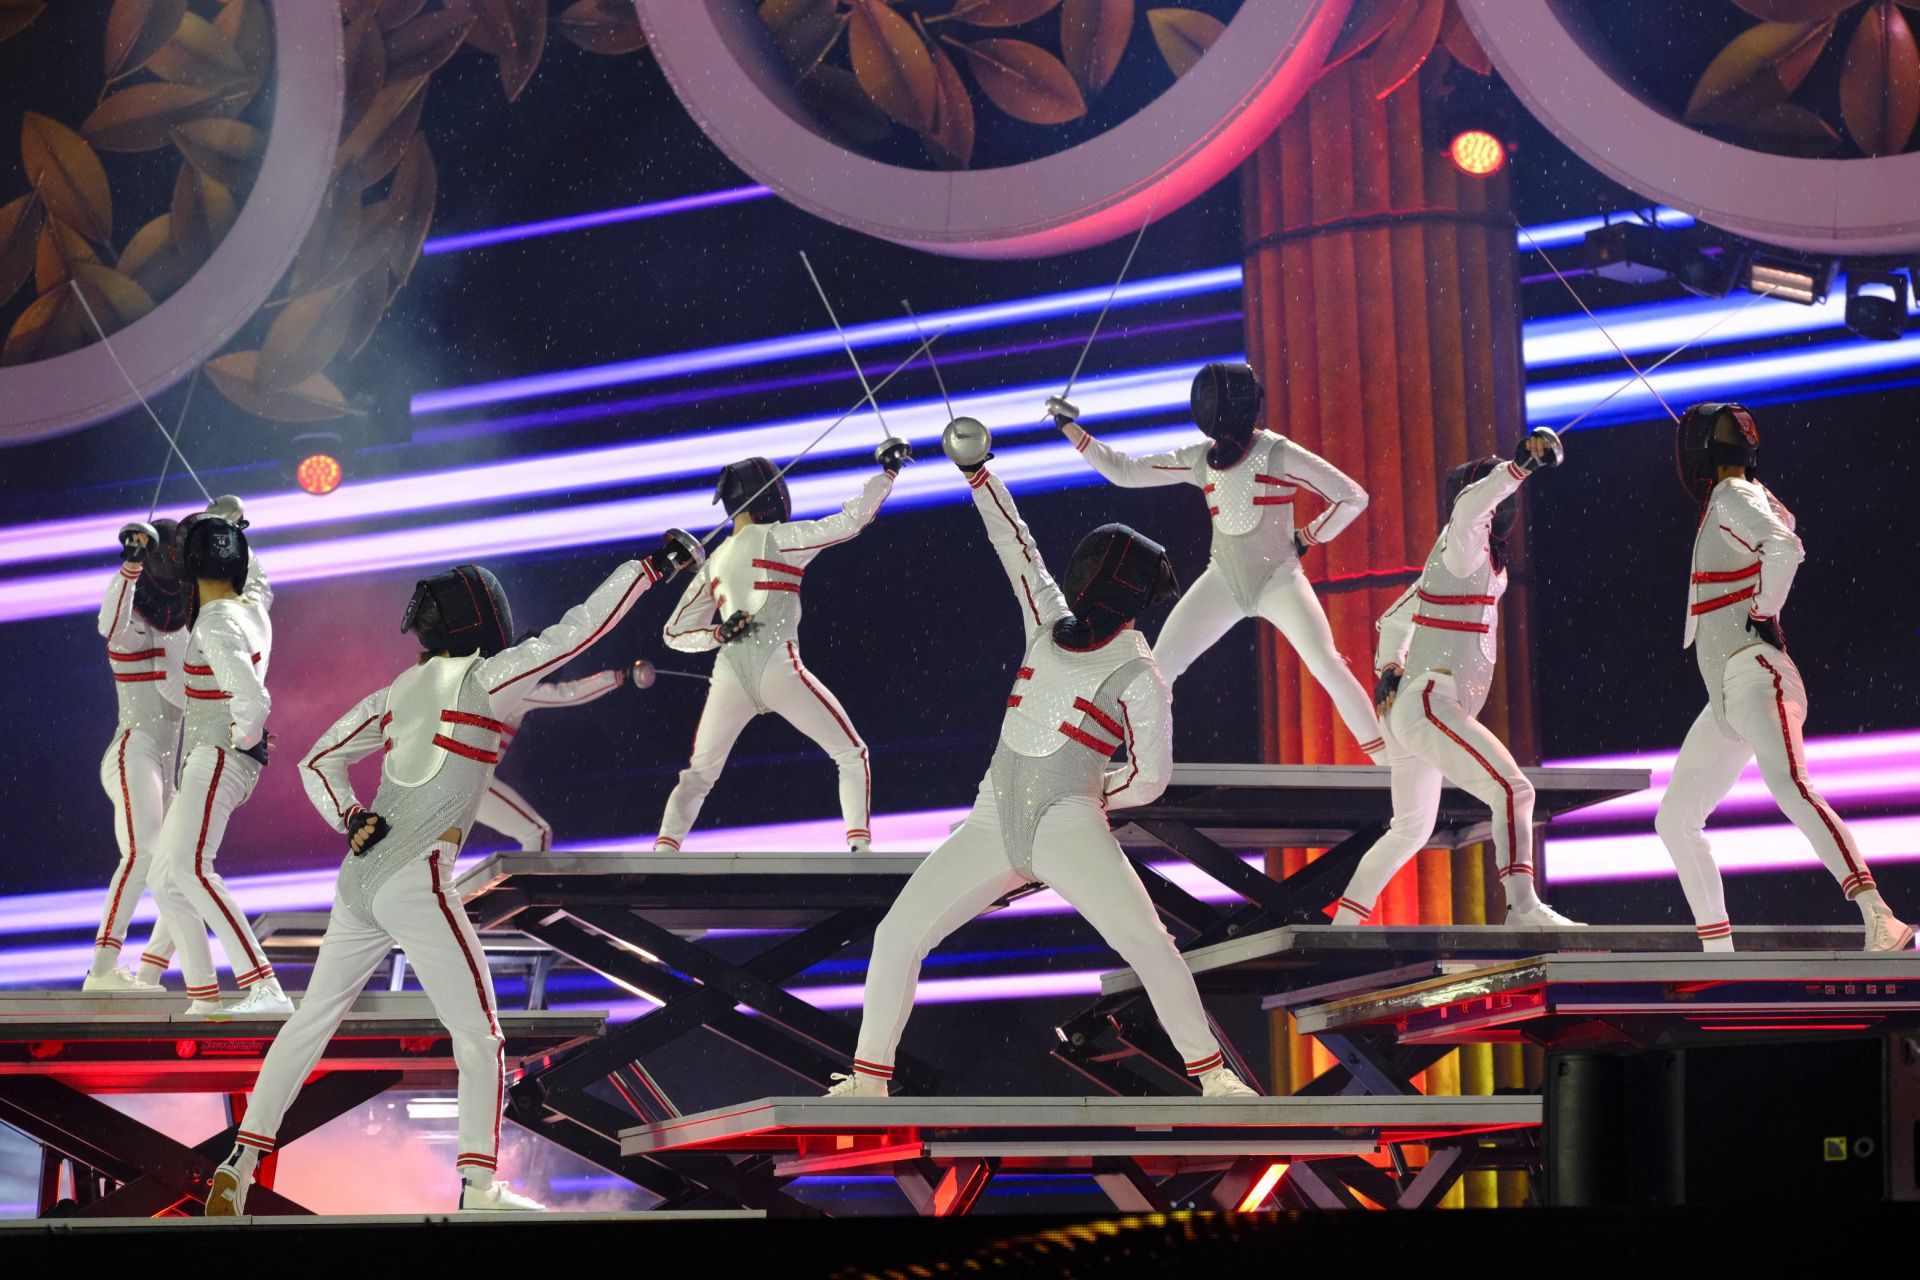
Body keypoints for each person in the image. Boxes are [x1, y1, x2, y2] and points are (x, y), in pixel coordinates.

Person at [208, 536, 696, 1216]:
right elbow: (582, 627)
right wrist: (651, 568)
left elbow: (316, 761)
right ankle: (478, 1189)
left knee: (311, 1021)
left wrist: (349, 815)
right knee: (481, 1037)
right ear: (479, 619)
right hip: (417, 877)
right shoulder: (490, 680)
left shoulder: (396, 692)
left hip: (358, 881)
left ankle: (241, 1159)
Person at [827, 424, 1257, 1098]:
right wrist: (977, 470)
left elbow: (1151, 780)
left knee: (1147, 944)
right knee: (898, 933)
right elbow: (1015, 541)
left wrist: (1083, 793)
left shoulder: (1138, 674)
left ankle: (1215, 1077)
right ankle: (867, 1080)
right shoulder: (1046, 618)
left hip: (1065, 825)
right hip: (992, 820)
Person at [1656, 402, 1911, 952]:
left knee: (1792, 787)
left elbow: (1785, 547)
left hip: (1757, 674)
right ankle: (1719, 953)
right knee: (1675, 818)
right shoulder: (1750, 495)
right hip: (1728, 694)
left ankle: (1879, 916)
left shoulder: (1733, 495)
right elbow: (1781, 529)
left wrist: (1763, 609)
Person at [1050, 363, 1384, 762]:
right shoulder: (1200, 460)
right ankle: (1130, 766)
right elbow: (1126, 472)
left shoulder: (1278, 453)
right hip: (1223, 581)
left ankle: (1391, 768)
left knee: (1328, 665)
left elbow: (1353, 496)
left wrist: (1309, 536)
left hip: (1278, 579)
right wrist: (1069, 428)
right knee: (1157, 670)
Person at [1332, 429, 1579, 928]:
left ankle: (1343, 926)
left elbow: (1392, 620)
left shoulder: (1467, 563)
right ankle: (1523, 907)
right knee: (1513, 792)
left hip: (1418, 706)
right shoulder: (1462, 541)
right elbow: (1471, 506)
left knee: (1411, 828)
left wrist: (1388, 669)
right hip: (1429, 704)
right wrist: (1519, 468)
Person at [655, 443, 908, 853]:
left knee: (699, 773)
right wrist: (888, 473)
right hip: (778, 665)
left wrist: (718, 636)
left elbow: (674, 633)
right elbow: (851, 522)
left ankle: (664, 851)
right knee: (851, 752)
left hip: (730, 674)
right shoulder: (780, 537)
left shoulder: (715, 560)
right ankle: (860, 849)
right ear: (769, 494)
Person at [145, 507, 289, 1014]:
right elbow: (261, 578)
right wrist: (229, 521)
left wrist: (242, 738)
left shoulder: (213, 624)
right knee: (166, 878)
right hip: (217, 759)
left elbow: (253, 702)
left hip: (216, 757)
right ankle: (204, 996)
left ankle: (264, 986)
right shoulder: (252, 604)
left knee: (190, 867)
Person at [82, 518, 188, 990]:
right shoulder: (129, 632)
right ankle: (102, 970)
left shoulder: (186, 632)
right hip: (133, 754)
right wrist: (130, 565)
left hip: (167, 767)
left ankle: (148, 975)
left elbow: (246, 603)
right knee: (144, 853)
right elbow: (110, 620)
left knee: (185, 869)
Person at [475, 659, 631, 852]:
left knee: (439, 850)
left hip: (439, 779)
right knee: (537, 834)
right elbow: (568, 694)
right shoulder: (515, 689)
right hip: (467, 780)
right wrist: (618, 677)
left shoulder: (485, 680)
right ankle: (528, 883)